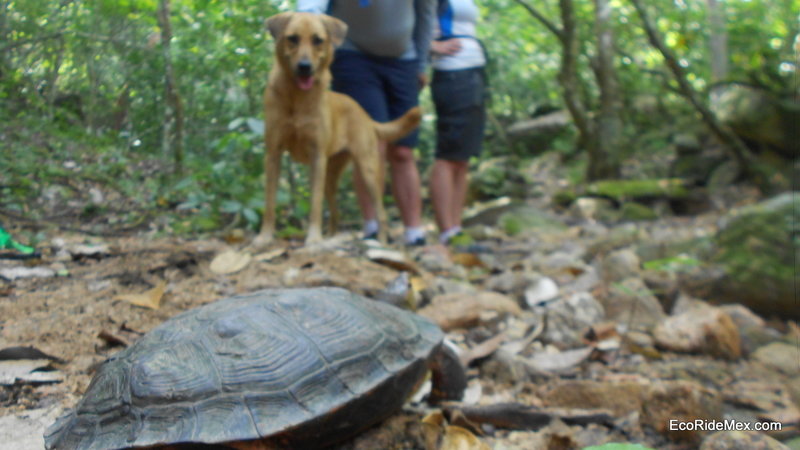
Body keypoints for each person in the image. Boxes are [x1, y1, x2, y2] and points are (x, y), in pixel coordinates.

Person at [297, 0, 436, 246]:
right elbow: (312, 7)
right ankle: (373, 227)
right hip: (354, 56)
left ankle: (414, 231)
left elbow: (426, 14)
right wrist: (306, 22)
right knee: (371, 145)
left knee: (403, 150)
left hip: (404, 59)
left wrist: (422, 63)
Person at [429, 0, 487, 245]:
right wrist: (432, 46)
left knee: (463, 157)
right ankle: (446, 230)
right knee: (449, 153)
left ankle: (456, 228)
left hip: (474, 71)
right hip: (452, 73)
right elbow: (412, 22)